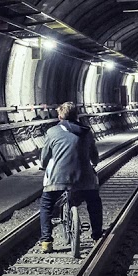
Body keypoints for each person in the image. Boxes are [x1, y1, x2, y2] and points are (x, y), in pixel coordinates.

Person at [37, 101, 103, 253]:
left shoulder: (52, 132)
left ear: (60, 116)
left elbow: (45, 157)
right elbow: (94, 156)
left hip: (58, 178)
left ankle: (46, 241)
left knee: (46, 204)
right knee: (94, 201)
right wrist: (94, 163)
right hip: (84, 178)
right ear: (77, 116)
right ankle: (97, 235)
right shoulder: (87, 132)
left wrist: (44, 165)